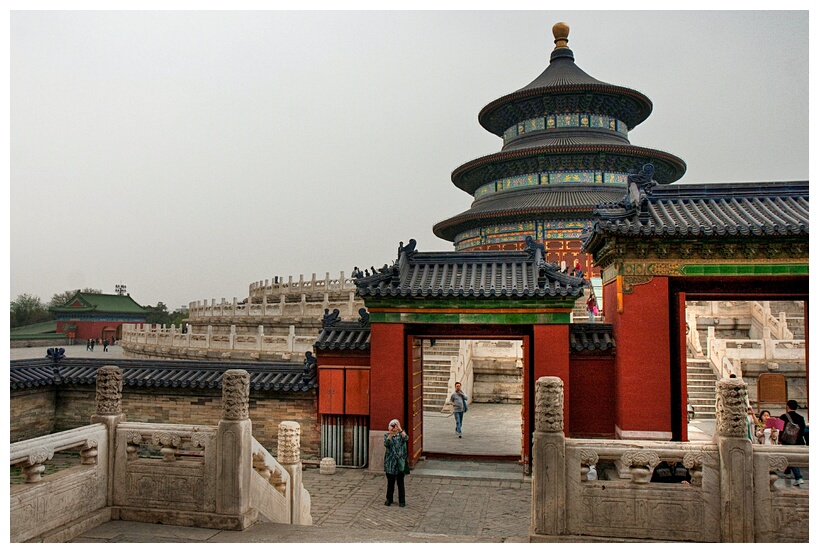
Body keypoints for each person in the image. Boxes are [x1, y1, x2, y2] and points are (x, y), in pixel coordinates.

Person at [778, 400, 807, 486]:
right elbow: (802, 431)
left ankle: (798, 477)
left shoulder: (783, 416)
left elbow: (780, 429)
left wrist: (780, 439)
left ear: (787, 406)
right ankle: (787, 472)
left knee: (791, 458)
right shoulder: (801, 418)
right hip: (798, 441)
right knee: (791, 457)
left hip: (787, 441)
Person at [383, 419, 409, 507]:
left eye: (395, 425)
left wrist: (400, 429)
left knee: (400, 483)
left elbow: (406, 438)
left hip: (399, 464)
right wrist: (391, 433)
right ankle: (389, 499)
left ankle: (402, 501)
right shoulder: (387, 435)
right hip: (390, 463)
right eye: (392, 425)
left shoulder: (401, 436)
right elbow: (386, 443)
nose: (394, 427)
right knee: (390, 483)